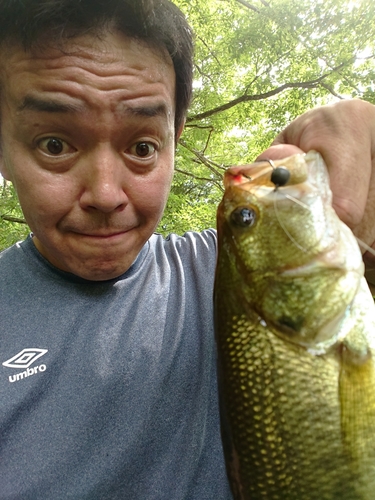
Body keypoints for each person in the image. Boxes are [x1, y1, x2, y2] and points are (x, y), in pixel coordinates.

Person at [0, 0, 374, 499]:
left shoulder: (240, 272)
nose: (107, 195)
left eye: (142, 148)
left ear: (175, 141)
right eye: (54, 144)